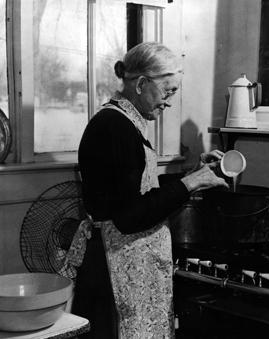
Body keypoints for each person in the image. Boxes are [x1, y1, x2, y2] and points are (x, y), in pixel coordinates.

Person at [67, 42, 228, 339]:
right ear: (141, 84)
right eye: (167, 91)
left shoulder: (122, 120)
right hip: (116, 265)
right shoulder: (115, 128)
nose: (168, 102)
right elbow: (129, 217)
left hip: (126, 262)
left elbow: (136, 190)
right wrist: (189, 185)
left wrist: (190, 174)